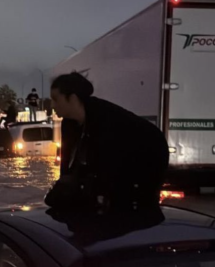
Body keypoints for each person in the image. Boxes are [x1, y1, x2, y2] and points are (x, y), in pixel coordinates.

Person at [45, 72, 169, 213]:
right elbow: (67, 166)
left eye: (55, 99)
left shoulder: (106, 120)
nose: (52, 105)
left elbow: (107, 168)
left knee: (124, 205)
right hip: (121, 161)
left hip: (150, 157)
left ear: (72, 99)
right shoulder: (68, 123)